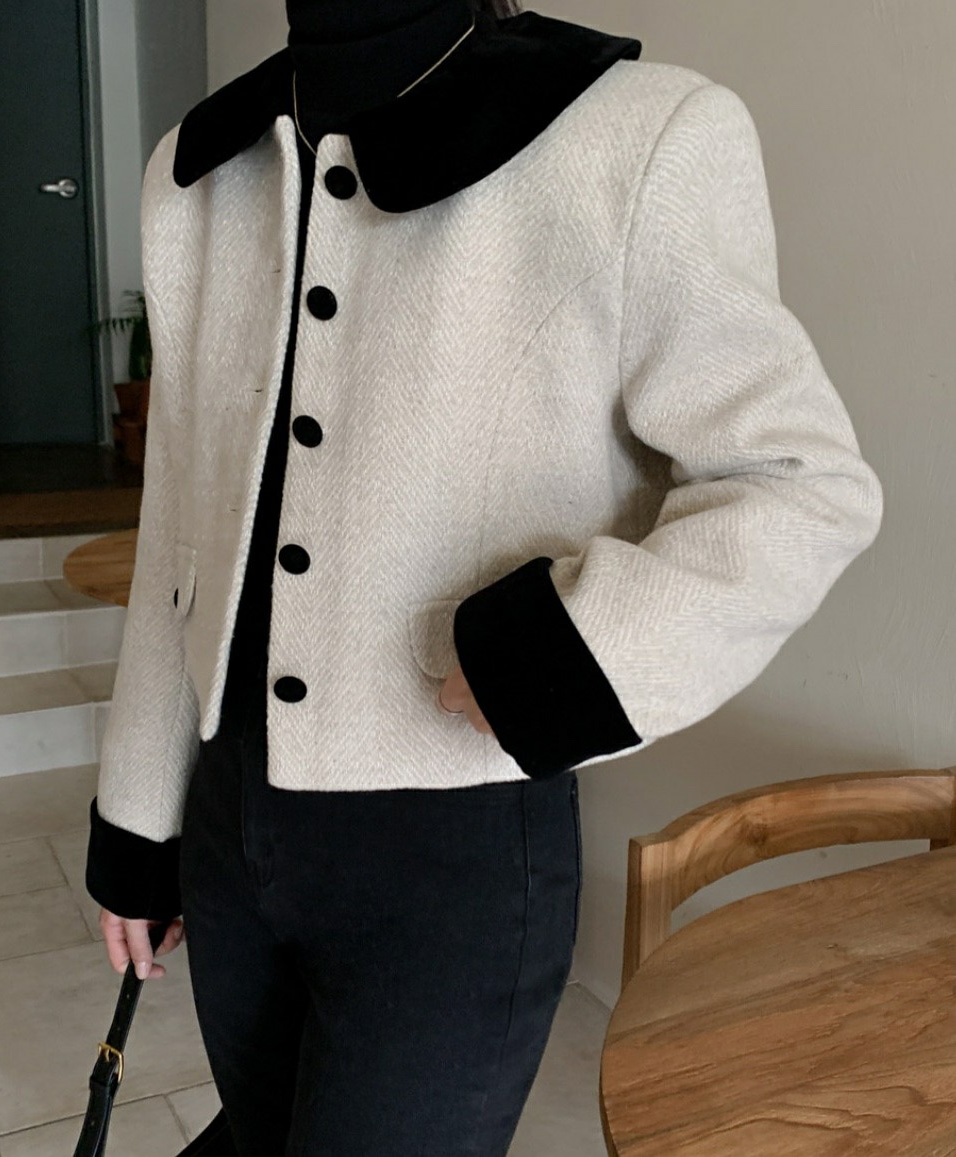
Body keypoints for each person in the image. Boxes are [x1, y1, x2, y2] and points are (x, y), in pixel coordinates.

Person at [84, 0, 884, 1152]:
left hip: (453, 852)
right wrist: (138, 820)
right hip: (227, 824)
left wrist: (555, 656)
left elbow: (800, 484)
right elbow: (179, 526)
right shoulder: (199, 170)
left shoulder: (636, 135)